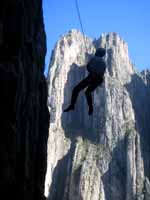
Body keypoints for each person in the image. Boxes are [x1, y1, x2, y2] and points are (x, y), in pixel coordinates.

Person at [64, 47, 106, 115]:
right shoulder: (104, 63)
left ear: (98, 52)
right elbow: (102, 72)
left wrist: (91, 70)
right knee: (87, 92)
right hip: (98, 80)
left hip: (91, 77)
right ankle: (90, 107)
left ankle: (72, 105)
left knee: (76, 89)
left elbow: (88, 67)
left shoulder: (94, 59)